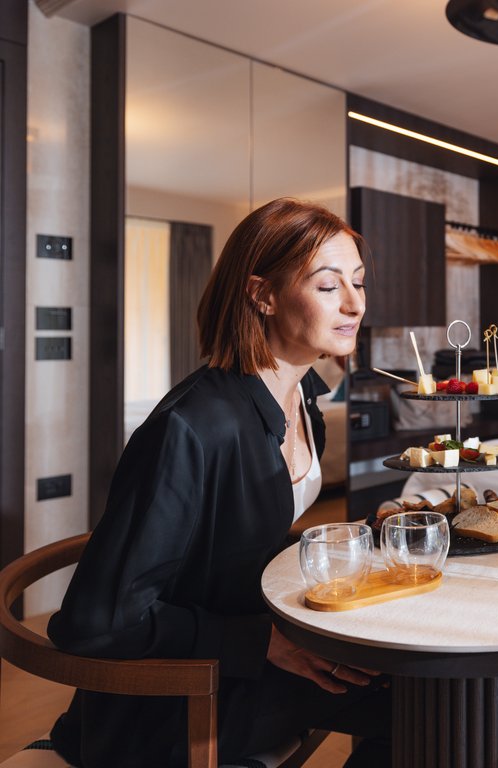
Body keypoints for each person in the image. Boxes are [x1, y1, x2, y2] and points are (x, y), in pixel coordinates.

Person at [48, 198, 390, 767]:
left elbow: (232, 544)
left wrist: (345, 549)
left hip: (248, 659)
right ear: (263, 294)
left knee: (434, 687)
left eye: (357, 282)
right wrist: (263, 643)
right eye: (329, 286)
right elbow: (94, 623)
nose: (355, 303)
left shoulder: (304, 401)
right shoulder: (189, 428)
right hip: (177, 699)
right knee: (427, 700)